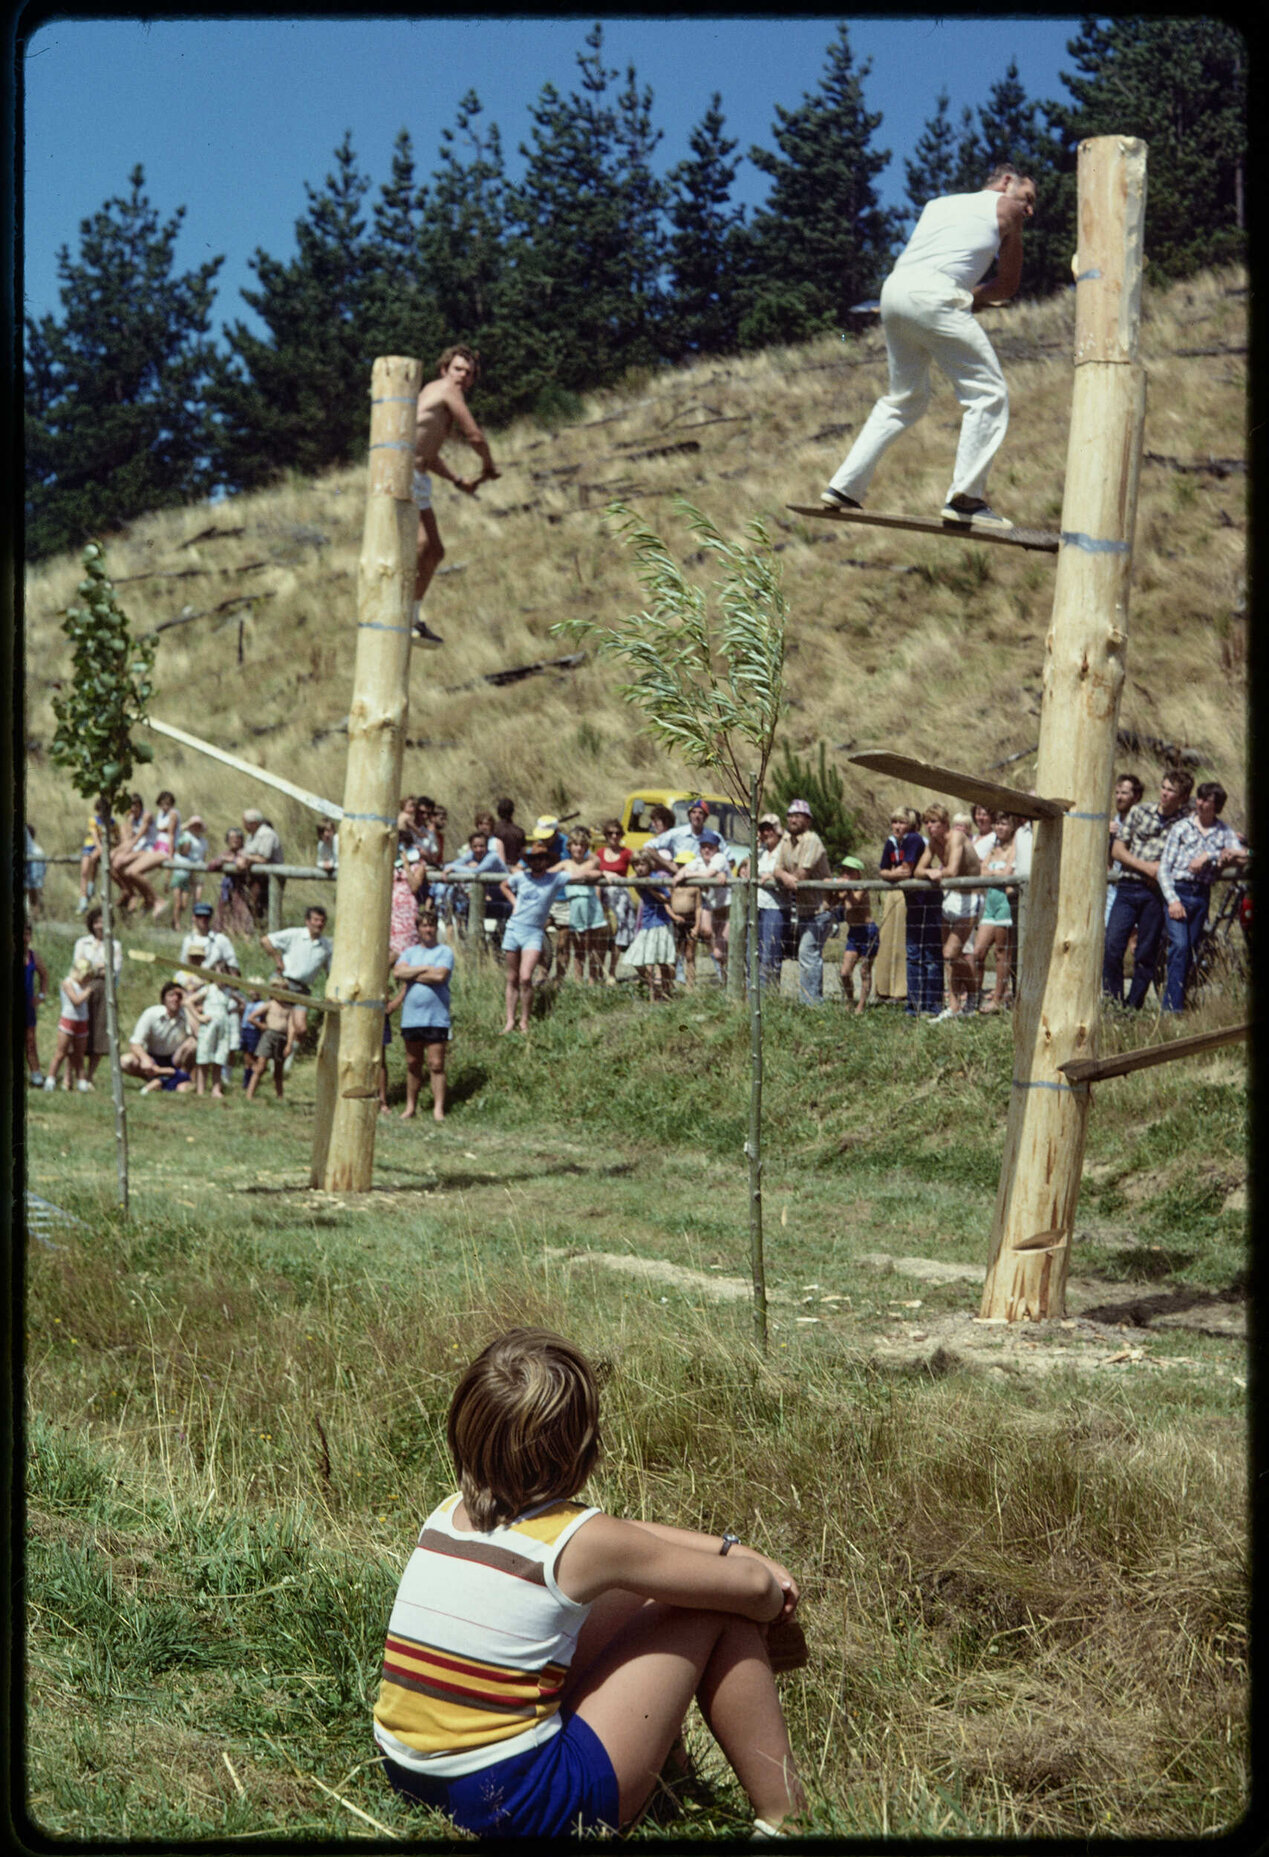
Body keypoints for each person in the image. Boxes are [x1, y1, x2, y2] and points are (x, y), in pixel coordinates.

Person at [373, 1328, 807, 1840]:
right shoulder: (587, 1546)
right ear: (582, 1448)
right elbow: (753, 1589)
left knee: (652, 1583)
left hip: (410, 1773)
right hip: (519, 1804)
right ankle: (788, 1820)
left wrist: (727, 1547)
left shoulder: (448, 1515)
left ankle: (672, 1775)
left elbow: (625, 1539)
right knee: (712, 1606)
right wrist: (761, 1597)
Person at [822, 164, 1037, 531]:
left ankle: (844, 487)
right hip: (935, 296)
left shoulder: (938, 204)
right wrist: (978, 290)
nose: (1028, 210)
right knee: (987, 393)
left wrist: (965, 295)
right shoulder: (1005, 208)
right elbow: (1007, 286)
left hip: (894, 293)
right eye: (1028, 198)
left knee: (905, 398)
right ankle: (966, 499)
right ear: (1005, 183)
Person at [410, 345, 501, 649]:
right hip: (403, 473)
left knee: (434, 551)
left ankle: (411, 617)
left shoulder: (438, 396)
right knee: (424, 546)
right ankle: (402, 616)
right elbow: (474, 435)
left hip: (419, 476)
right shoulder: (446, 390)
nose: (462, 376)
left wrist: (458, 480)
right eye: (458, 369)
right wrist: (488, 465)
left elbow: (429, 454)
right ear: (445, 369)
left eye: (469, 373)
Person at [1103, 768, 1194, 1010]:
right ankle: (1113, 1001)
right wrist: (1147, 868)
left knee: (1145, 952)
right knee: (1112, 945)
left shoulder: (1185, 822)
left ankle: (1133, 1006)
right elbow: (1118, 850)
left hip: (1155, 893)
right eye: (1163, 787)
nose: (1164, 794)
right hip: (1129, 886)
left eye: (1171, 791)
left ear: (1182, 797)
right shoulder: (1139, 812)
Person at [1157, 781, 1248, 1013]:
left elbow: (1243, 856)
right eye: (1199, 798)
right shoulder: (1181, 828)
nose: (1200, 803)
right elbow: (1164, 868)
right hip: (1179, 890)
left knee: (1191, 950)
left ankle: (1179, 999)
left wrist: (1210, 855)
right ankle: (1171, 1009)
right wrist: (1173, 900)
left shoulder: (1223, 832)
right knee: (1180, 945)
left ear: (1216, 806)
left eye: (1206, 800)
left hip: (1201, 895)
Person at [498, 835, 569, 1033]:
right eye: (534, 859)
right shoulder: (521, 877)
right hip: (514, 929)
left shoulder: (554, 879)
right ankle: (510, 1020)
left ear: (547, 861)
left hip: (533, 932)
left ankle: (525, 1021)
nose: (538, 862)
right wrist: (514, 902)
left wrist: (605, 875)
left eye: (542, 859)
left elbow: (581, 875)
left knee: (525, 977)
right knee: (512, 977)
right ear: (530, 862)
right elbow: (503, 885)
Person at [393, 904, 455, 1121]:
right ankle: (411, 1106)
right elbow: (398, 972)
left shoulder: (444, 952)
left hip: (436, 1017)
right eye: (423, 926)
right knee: (412, 1063)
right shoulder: (409, 952)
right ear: (417, 929)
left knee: (436, 1064)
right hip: (412, 1018)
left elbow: (440, 977)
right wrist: (425, 969)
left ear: (435, 928)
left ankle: (438, 1109)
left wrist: (412, 973)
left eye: (431, 926)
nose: (428, 930)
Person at [772, 799, 835, 1005]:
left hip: (819, 909)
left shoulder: (812, 840)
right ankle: (809, 1000)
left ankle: (811, 1003)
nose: (792, 819)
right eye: (790, 815)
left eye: (798, 816)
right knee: (807, 955)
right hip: (803, 909)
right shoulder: (786, 840)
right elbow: (777, 868)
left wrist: (790, 878)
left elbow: (803, 873)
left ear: (808, 820)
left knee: (808, 954)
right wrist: (787, 878)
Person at [971, 811, 1020, 1012]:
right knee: (977, 952)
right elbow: (981, 871)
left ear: (1012, 827)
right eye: (997, 824)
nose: (1000, 828)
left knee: (1002, 953)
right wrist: (994, 874)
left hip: (1005, 905)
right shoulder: (993, 848)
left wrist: (994, 874)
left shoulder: (1015, 848)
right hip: (990, 905)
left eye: (1004, 824)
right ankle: (975, 995)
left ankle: (998, 999)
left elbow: (1007, 873)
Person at [261, 906, 332, 1043]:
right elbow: (266, 940)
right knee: (272, 1024)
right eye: (316, 920)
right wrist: (278, 960)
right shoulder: (295, 935)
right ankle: (263, 1059)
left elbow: (330, 972)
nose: (319, 924)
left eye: (322, 921)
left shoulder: (326, 946)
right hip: (283, 983)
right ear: (307, 921)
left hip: (302, 989)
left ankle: (290, 1054)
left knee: (301, 1029)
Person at [880, 807, 927, 1013]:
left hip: (908, 894)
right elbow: (882, 870)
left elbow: (907, 872)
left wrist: (894, 874)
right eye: (895, 822)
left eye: (902, 822)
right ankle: (884, 987)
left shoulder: (916, 841)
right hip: (892, 893)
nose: (897, 827)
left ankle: (902, 988)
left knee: (903, 940)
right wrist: (892, 875)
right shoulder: (891, 843)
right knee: (887, 937)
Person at [72, 903, 124, 1086]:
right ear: (92, 924)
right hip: (83, 988)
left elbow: (113, 969)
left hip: (104, 991)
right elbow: (78, 967)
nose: (100, 926)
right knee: (79, 1029)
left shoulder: (115, 945)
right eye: (97, 922)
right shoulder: (82, 943)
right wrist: (99, 967)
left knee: (100, 1031)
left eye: (104, 922)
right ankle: (76, 1073)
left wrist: (92, 967)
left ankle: (89, 1075)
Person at [677, 829, 732, 985]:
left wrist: (687, 875)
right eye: (703, 847)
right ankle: (725, 980)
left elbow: (708, 874)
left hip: (728, 908)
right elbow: (683, 870)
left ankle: (732, 982)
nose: (706, 850)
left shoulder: (720, 858)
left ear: (717, 849)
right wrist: (680, 875)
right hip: (713, 908)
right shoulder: (699, 861)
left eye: (710, 847)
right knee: (710, 939)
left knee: (724, 952)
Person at [121, 981, 196, 1087]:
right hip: (153, 1058)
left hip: (176, 1059)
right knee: (125, 1061)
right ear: (163, 999)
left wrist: (188, 1005)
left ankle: (184, 1078)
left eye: (179, 996)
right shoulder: (151, 1013)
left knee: (193, 1043)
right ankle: (152, 1078)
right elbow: (135, 1043)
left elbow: (197, 1035)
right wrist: (145, 1058)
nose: (175, 999)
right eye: (171, 995)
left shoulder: (185, 1013)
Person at [626, 853, 678, 1001]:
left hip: (660, 922)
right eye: (636, 865)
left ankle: (665, 992)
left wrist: (650, 889)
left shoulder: (655, 878)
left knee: (661, 959)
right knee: (637, 959)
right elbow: (628, 879)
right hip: (647, 922)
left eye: (642, 864)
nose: (639, 868)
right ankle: (654, 988)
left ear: (649, 864)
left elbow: (667, 898)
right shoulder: (639, 879)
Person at [558, 829, 606, 983]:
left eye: (582, 845)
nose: (578, 848)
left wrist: (590, 872)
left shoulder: (591, 862)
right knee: (577, 944)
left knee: (593, 943)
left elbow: (597, 863)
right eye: (575, 845)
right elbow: (548, 874)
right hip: (575, 905)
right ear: (569, 847)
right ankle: (578, 980)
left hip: (591, 904)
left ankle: (593, 978)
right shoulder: (565, 864)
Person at [44, 956, 92, 1092]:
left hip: (82, 1021)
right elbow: (76, 1001)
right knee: (61, 1053)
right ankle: (50, 1080)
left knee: (79, 1055)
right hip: (68, 1021)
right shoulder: (68, 983)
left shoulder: (84, 984)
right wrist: (87, 991)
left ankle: (82, 1082)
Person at [595, 819, 634, 984]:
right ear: (606, 835)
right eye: (610, 833)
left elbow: (642, 866)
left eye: (617, 833)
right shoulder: (599, 853)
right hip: (603, 896)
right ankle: (599, 971)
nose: (614, 836)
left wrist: (624, 880)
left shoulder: (627, 853)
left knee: (618, 935)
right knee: (602, 934)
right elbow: (593, 871)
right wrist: (605, 874)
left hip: (620, 897)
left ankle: (612, 972)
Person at [837, 857, 877, 1013]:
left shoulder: (861, 887)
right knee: (845, 972)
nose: (845, 874)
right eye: (843, 871)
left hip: (868, 931)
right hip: (853, 932)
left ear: (858, 873)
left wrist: (842, 891)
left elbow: (851, 904)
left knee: (865, 971)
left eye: (849, 871)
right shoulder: (846, 888)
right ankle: (849, 1000)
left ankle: (861, 1005)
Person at [1106, 772, 1144, 926]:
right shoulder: (1112, 823)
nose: (1119, 797)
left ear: (1136, 797)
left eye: (1124, 793)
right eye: (1117, 793)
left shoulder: (1143, 822)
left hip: (1135, 887)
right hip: (1114, 888)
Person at [243, 990, 294, 1102]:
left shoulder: (289, 1008)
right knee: (260, 1066)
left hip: (282, 1038)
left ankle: (280, 1097)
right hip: (268, 1036)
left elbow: (291, 1027)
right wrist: (261, 1026)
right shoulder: (270, 1004)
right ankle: (249, 1096)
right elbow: (251, 1017)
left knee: (278, 1069)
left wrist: (289, 1044)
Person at [239, 809, 284, 926]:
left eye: (245, 822)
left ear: (253, 823)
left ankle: (268, 928)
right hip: (256, 876)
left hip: (269, 878)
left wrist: (247, 858)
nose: (243, 825)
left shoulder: (266, 834)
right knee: (253, 903)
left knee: (267, 905)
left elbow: (264, 858)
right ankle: (256, 927)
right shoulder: (251, 836)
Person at [207, 828, 254, 938]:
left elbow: (242, 864)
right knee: (223, 913)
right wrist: (223, 860)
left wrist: (232, 860)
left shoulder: (245, 853)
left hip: (241, 888)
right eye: (232, 838)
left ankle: (246, 937)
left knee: (242, 913)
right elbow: (211, 866)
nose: (235, 841)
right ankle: (224, 935)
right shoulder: (225, 853)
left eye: (237, 838)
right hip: (227, 890)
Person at [180, 900, 240, 975]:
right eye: (199, 916)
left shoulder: (221, 939)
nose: (203, 919)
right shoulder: (188, 940)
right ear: (193, 918)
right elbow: (183, 965)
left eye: (206, 916)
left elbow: (233, 965)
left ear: (210, 918)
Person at [23, 922, 49, 1087]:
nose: (24, 938)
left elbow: (44, 975)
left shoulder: (33, 956)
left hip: (28, 1005)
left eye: (27, 934)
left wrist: (41, 995)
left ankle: (36, 1073)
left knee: (30, 1041)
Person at [495, 796, 525, 869]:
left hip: (498, 868)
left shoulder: (494, 830)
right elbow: (523, 852)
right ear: (512, 812)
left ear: (498, 812)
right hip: (516, 867)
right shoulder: (519, 831)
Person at [24, 823, 47, 921]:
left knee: (34, 900)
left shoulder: (37, 852)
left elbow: (38, 877)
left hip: (32, 882)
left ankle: (34, 920)